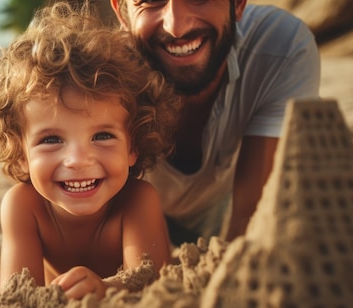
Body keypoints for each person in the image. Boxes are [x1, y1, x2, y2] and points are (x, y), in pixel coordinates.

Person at [0, 3, 179, 300]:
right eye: (52, 140)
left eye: (102, 136)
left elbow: (151, 285)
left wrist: (106, 290)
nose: (78, 160)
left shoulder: (138, 200)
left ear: (133, 146)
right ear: (20, 154)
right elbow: (16, 298)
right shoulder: (23, 206)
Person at [110, 0, 321, 244]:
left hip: (221, 213)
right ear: (122, 11)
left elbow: (252, 219)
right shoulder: (101, 78)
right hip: (129, 226)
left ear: (239, 4)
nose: (176, 27)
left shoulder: (279, 48)